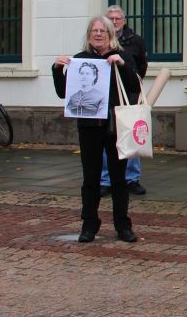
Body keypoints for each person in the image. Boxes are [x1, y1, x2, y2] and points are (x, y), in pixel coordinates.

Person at [52, 15, 142, 243]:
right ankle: (89, 223)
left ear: (111, 34)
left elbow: (134, 85)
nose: (99, 34)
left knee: (118, 178)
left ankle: (123, 225)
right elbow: (64, 93)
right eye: (95, 31)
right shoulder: (81, 60)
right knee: (90, 178)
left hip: (115, 126)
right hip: (89, 127)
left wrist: (122, 66)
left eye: (103, 30)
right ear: (89, 35)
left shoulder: (121, 56)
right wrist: (56, 69)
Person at [101, 5, 147, 197]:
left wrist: (132, 84)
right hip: (106, 97)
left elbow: (141, 67)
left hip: (129, 95)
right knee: (106, 137)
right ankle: (106, 180)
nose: (114, 21)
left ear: (124, 20)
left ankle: (131, 178)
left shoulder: (135, 41)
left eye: (117, 18)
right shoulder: (101, 40)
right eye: (110, 18)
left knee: (131, 135)